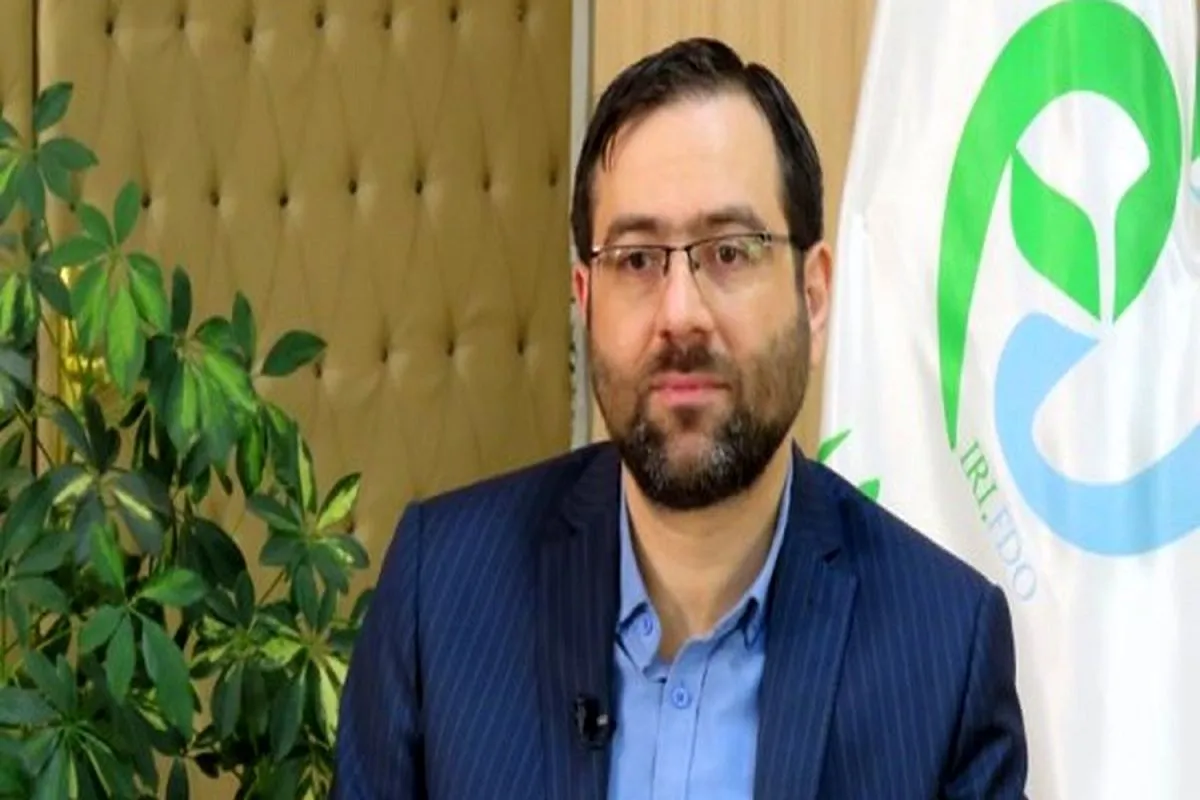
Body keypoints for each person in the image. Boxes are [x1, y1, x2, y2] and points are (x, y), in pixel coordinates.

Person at [333, 36, 1028, 799]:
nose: (681, 314)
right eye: (637, 259)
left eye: (729, 253)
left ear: (814, 296)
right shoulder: (441, 594)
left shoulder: (944, 651)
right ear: (585, 300)